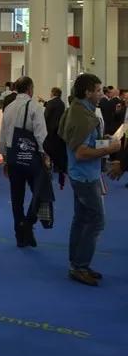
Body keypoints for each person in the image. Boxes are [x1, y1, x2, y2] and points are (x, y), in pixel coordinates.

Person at [59, 72, 119, 286]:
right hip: (86, 176)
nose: (101, 94)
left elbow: (84, 144)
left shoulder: (77, 111)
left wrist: (104, 142)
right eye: (98, 90)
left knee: (81, 219)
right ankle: (80, 266)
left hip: (80, 174)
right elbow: (81, 153)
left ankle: (76, 263)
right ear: (88, 92)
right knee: (96, 221)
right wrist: (109, 149)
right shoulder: (84, 118)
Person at [0, 77, 49, 247]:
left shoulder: (8, 108)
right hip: (32, 158)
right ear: (30, 89)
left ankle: (20, 236)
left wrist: (5, 158)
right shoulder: (35, 107)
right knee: (40, 194)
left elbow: (3, 136)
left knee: (17, 198)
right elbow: (41, 135)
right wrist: (45, 155)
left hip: (13, 158)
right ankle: (27, 224)